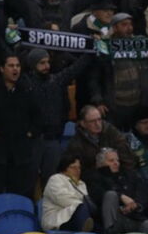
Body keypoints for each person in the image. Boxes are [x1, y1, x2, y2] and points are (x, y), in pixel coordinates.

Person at [22, 47, 94, 186]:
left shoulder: (55, 81)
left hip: (53, 139)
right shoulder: (25, 85)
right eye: (42, 63)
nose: (46, 66)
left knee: (51, 183)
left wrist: (91, 50)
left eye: (47, 62)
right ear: (33, 65)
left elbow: (75, 69)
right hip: (33, 141)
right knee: (27, 182)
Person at [88, 12, 148, 132]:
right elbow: (94, 78)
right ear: (114, 28)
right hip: (115, 107)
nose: (129, 28)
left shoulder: (139, 45)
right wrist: (98, 101)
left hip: (137, 104)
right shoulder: (105, 48)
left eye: (130, 24)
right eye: (124, 25)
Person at [0, 54, 42, 198]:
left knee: (21, 193)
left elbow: (39, 116)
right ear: (2, 68)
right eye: (11, 66)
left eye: (18, 66)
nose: (15, 69)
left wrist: (31, 133)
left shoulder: (27, 90)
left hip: (20, 154)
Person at [86, 147, 148, 234]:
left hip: (133, 217)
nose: (116, 163)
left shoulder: (129, 175)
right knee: (110, 195)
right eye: (111, 161)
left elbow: (144, 195)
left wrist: (135, 205)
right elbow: (97, 195)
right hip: (111, 218)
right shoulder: (94, 177)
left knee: (147, 224)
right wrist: (120, 196)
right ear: (100, 163)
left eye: (117, 160)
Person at [66, 105, 137, 181]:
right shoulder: (76, 143)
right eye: (92, 121)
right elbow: (76, 169)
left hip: (118, 175)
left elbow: (127, 156)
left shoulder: (111, 132)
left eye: (99, 119)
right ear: (83, 123)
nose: (97, 124)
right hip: (93, 180)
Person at [41, 154, 95, 232]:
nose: (77, 170)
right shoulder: (55, 179)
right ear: (64, 168)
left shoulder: (81, 184)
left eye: (79, 167)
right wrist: (82, 204)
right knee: (81, 207)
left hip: (75, 217)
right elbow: (62, 199)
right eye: (73, 167)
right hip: (57, 220)